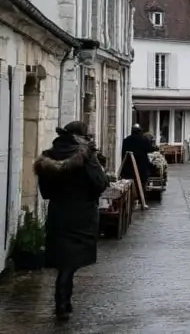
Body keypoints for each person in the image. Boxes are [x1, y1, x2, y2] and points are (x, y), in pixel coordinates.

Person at [33, 121, 109, 320]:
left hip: (58, 214)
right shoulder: (86, 156)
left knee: (64, 259)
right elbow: (100, 183)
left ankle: (63, 301)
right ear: (81, 136)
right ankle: (62, 302)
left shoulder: (49, 156)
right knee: (70, 262)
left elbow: (45, 192)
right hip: (81, 215)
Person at [120, 124, 157, 191]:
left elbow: (123, 152)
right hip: (142, 168)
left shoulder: (126, 140)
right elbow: (150, 149)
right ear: (140, 131)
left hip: (128, 168)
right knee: (142, 185)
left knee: (131, 185)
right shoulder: (144, 140)